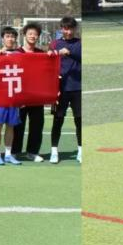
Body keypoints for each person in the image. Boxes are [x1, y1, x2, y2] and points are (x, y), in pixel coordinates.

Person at [11, 22, 48, 161]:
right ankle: (15, 151)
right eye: (30, 33)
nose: (33, 36)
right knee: (18, 125)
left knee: (37, 125)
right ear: (25, 35)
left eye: (35, 34)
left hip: (36, 96)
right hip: (20, 96)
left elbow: (47, 71)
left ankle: (32, 152)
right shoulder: (16, 53)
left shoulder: (41, 54)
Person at [48, 15, 81, 164]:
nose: (68, 32)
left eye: (71, 29)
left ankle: (81, 150)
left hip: (77, 88)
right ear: (61, 29)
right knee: (58, 119)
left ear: (75, 29)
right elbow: (47, 62)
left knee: (79, 120)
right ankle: (54, 151)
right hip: (60, 88)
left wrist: (69, 52)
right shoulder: (55, 44)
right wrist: (49, 55)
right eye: (65, 29)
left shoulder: (80, 43)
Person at [0, 27, 22, 165]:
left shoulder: (20, 54)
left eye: (12, 36)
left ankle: (8, 154)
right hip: (0, 96)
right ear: (2, 38)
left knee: (11, 125)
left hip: (14, 95)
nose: (10, 39)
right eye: (7, 36)